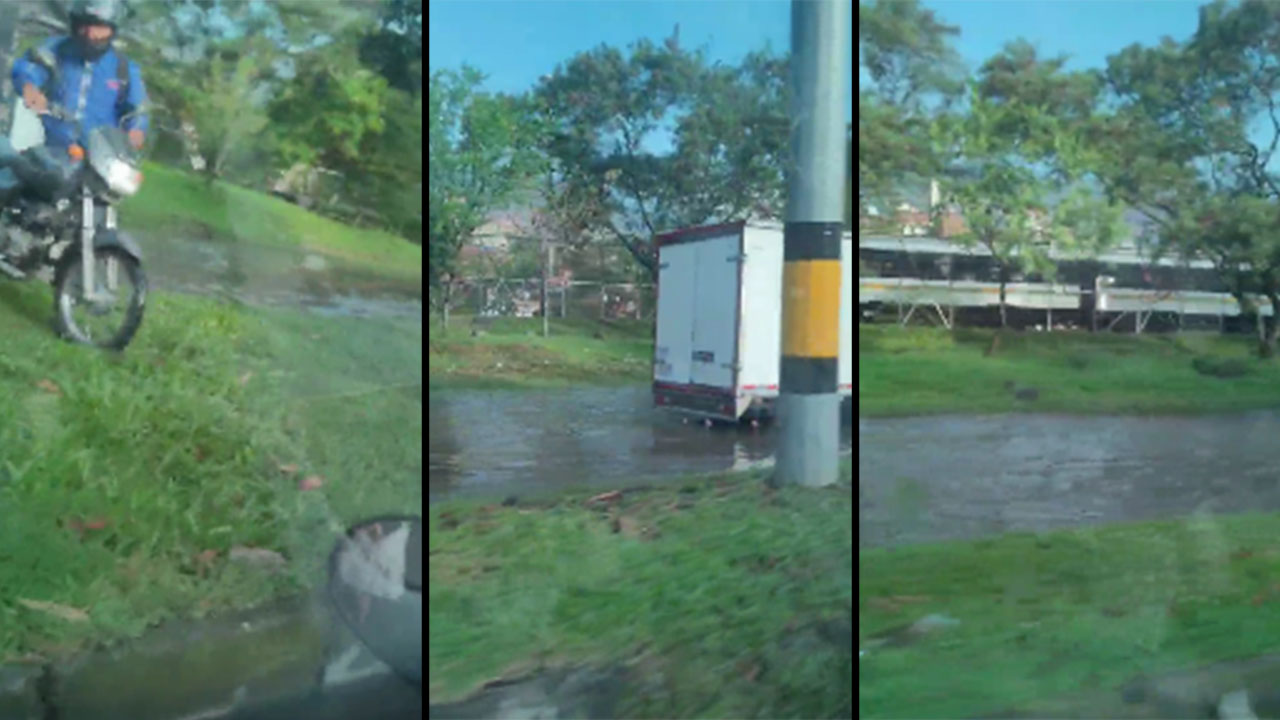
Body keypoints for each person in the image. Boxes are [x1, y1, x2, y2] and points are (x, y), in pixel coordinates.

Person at [10, 0, 148, 157]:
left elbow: (137, 110)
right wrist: (29, 88)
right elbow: (28, 68)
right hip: (49, 148)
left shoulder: (124, 68)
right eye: (85, 25)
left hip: (100, 158)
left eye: (99, 27)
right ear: (75, 25)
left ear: (112, 30)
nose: (91, 33)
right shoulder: (55, 50)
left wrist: (136, 131)